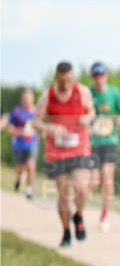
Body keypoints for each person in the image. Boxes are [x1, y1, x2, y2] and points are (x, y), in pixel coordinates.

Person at [36, 62, 97, 247]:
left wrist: (88, 117)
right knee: (64, 193)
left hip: (79, 147)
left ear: (73, 77)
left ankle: (78, 216)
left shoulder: (83, 92)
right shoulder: (48, 95)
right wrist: (50, 127)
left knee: (82, 187)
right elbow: (36, 122)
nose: (67, 85)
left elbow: (92, 112)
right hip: (57, 151)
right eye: (63, 81)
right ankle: (65, 232)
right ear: (57, 78)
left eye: (70, 80)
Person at [87, 61, 120, 232]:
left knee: (107, 177)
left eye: (102, 74)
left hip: (109, 142)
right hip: (91, 143)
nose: (99, 78)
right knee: (93, 181)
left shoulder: (114, 92)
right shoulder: (88, 93)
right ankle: (81, 206)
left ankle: (104, 216)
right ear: (92, 77)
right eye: (96, 75)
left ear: (107, 75)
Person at [5, 88, 39, 200]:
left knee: (31, 165)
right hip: (19, 144)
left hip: (32, 143)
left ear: (33, 98)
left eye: (29, 98)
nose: (27, 100)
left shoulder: (37, 112)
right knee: (20, 168)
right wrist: (20, 132)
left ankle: (29, 189)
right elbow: (9, 126)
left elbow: (41, 126)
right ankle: (19, 177)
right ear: (22, 99)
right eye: (25, 98)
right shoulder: (17, 111)